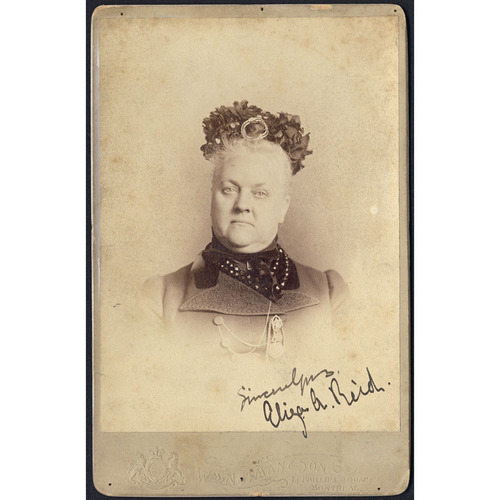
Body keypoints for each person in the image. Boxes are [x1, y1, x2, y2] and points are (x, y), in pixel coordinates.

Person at [141, 100, 349, 366]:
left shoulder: (330, 294)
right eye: (229, 189)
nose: (242, 205)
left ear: (282, 208)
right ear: (212, 197)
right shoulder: (160, 297)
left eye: (260, 193)